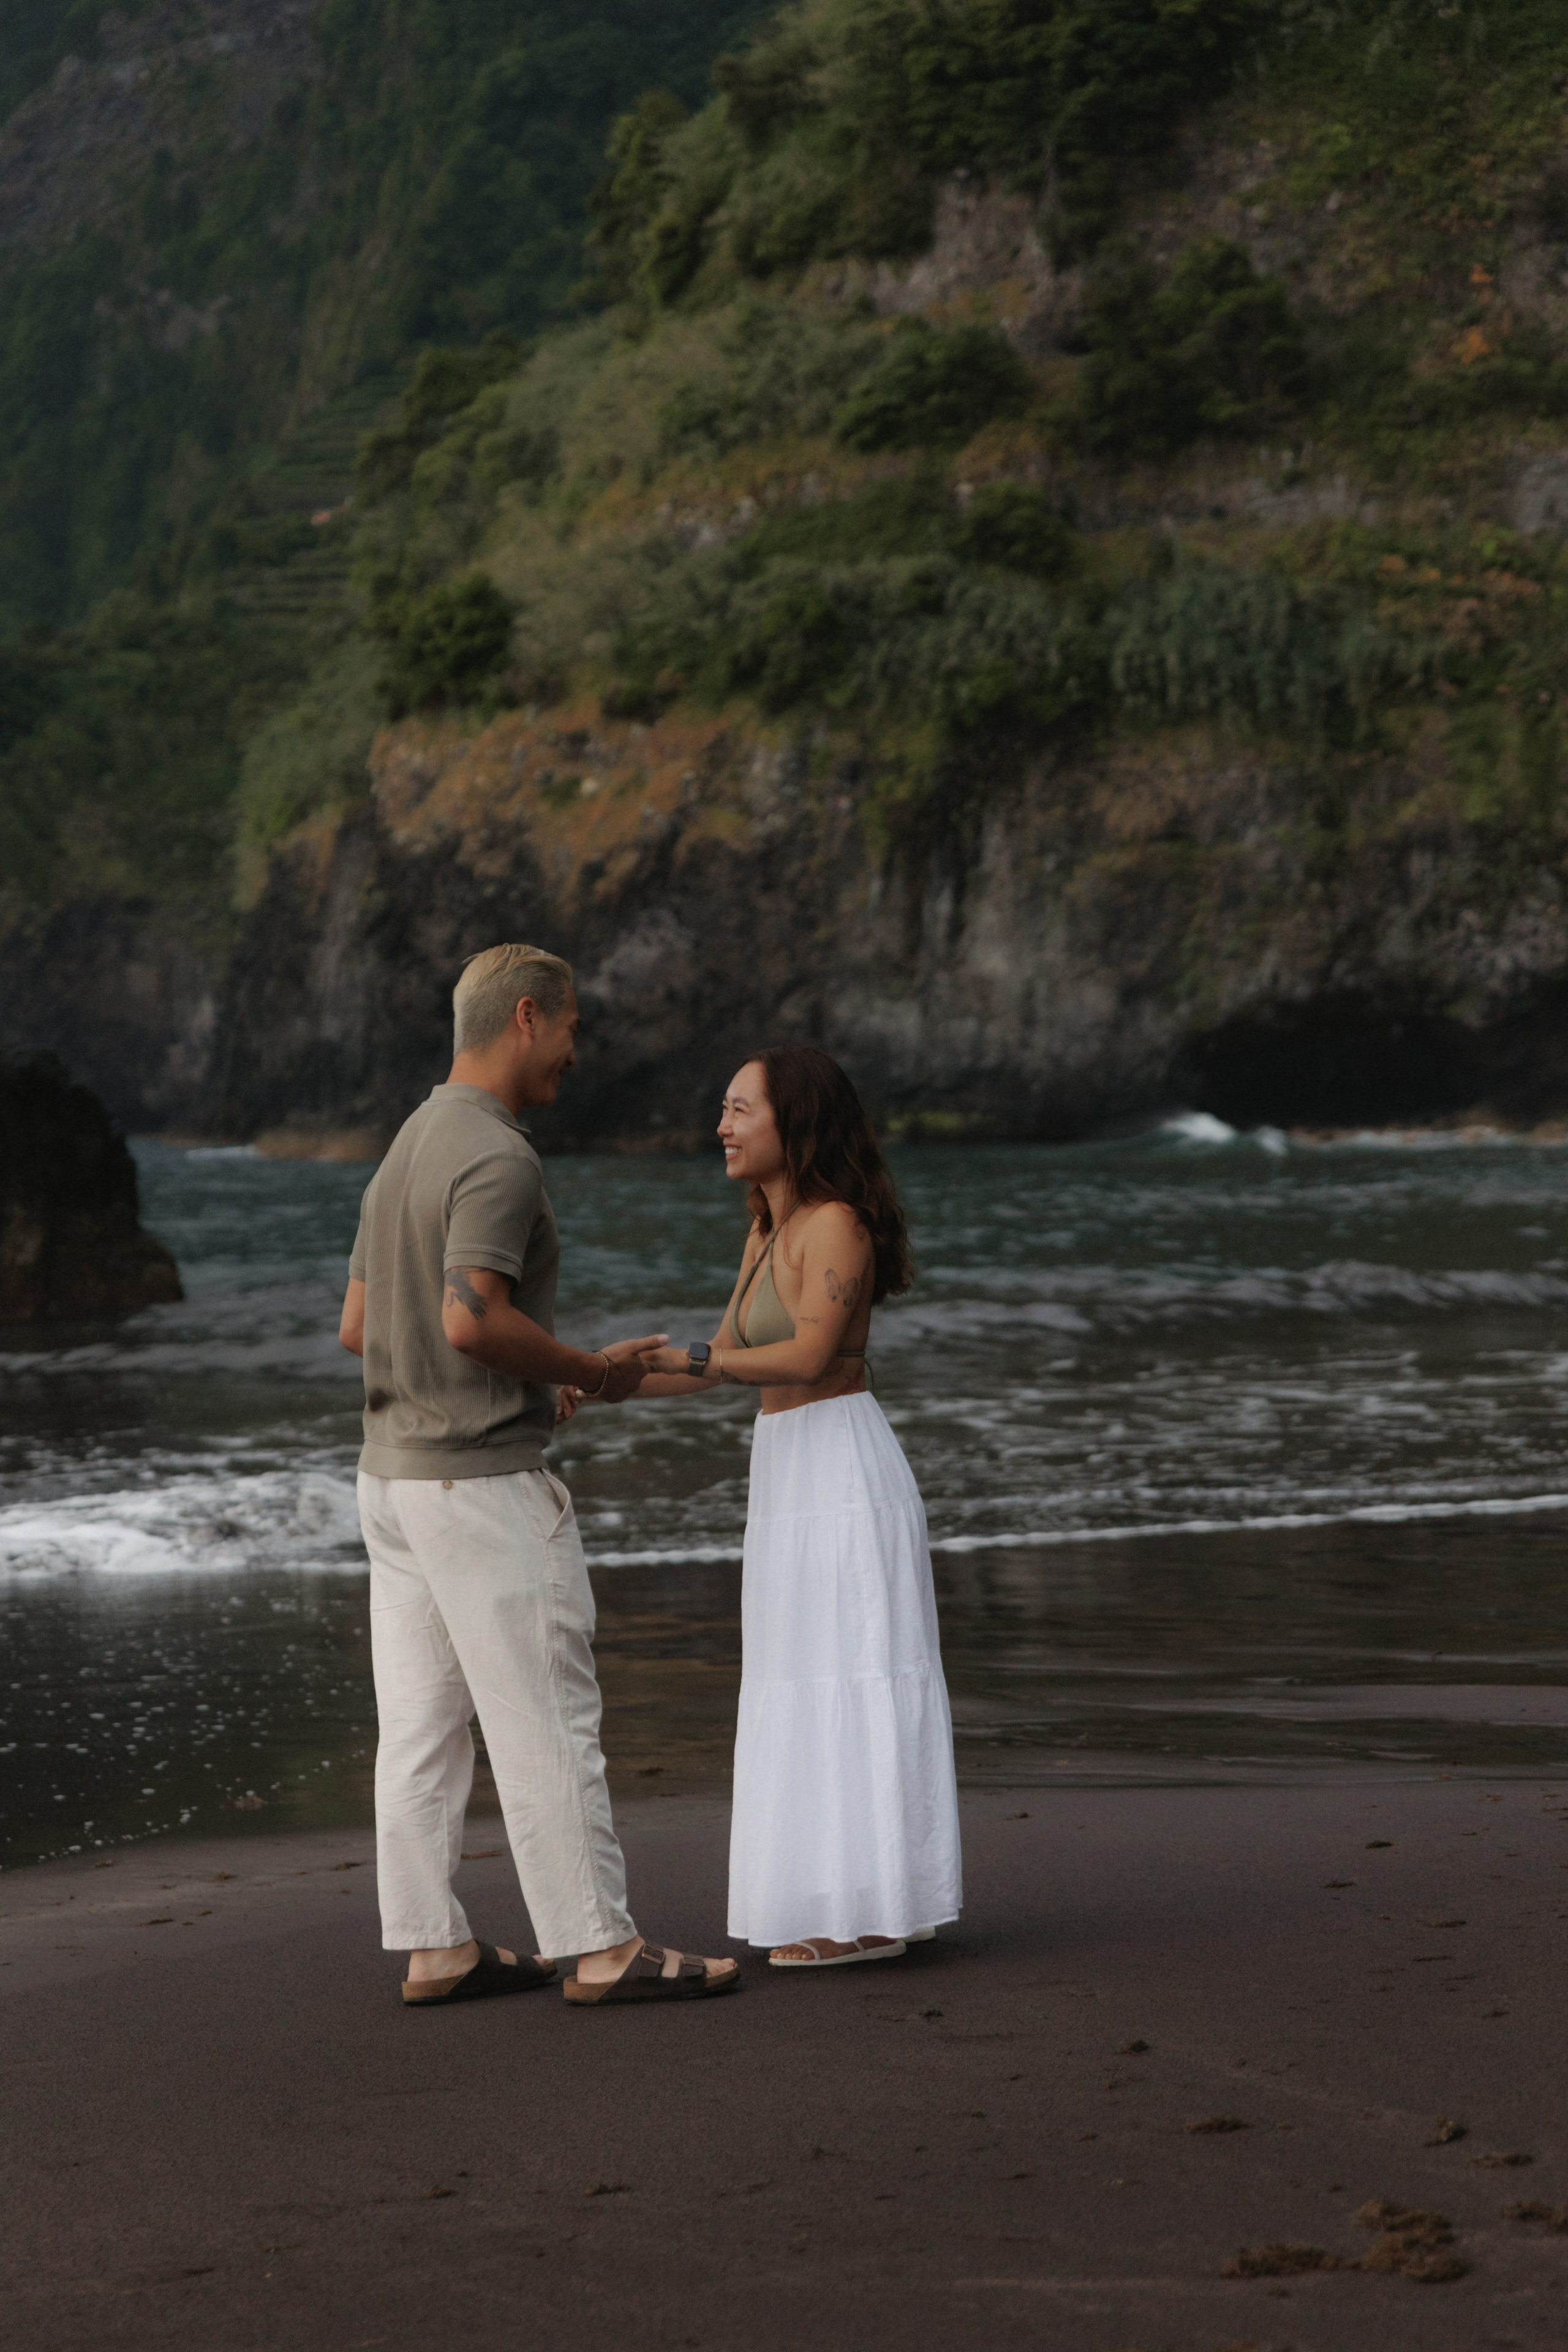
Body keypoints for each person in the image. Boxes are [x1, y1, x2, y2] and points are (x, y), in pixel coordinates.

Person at [337, 942, 738, 2008]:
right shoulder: (499, 1155)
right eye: (571, 1029)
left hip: (391, 1483)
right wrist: (592, 1372)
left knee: (420, 1729)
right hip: (478, 1490)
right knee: (546, 1715)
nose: (575, 1052)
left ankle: (434, 1945)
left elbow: (359, 1328)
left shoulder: (406, 1148)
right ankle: (601, 1947)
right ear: (527, 1017)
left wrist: (533, 1381)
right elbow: (473, 1319)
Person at [620, 1044, 962, 1967]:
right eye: (723, 1109)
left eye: (739, 1110)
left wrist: (692, 1359)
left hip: (844, 1472)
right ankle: (864, 1899)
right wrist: (602, 1381)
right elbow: (724, 1360)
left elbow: (806, 1357)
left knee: (853, 1672)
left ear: (794, 1123)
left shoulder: (837, 1224)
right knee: (802, 1675)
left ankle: (880, 1915)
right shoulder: (768, 1228)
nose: (720, 1127)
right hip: (787, 1469)